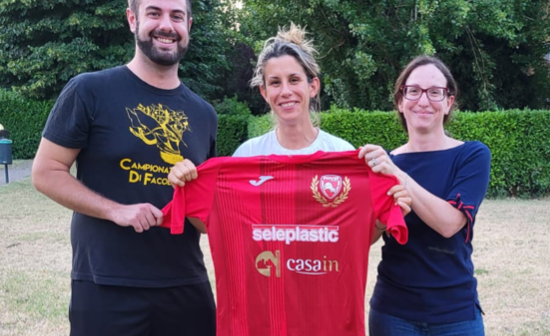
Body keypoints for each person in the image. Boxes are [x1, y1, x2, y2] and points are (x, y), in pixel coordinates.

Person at [165, 24, 412, 335]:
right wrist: (185, 184)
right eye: (275, 82)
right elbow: (216, 224)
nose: (286, 91)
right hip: (263, 318)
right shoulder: (246, 157)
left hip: (324, 316)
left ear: (313, 86)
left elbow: (355, 236)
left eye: (294, 80)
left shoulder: (343, 155)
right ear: (264, 92)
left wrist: (382, 218)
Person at [32, 0, 217, 336]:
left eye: (176, 16)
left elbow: (206, 213)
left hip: (186, 285)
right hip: (106, 285)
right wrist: (116, 210)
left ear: (188, 24)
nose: (166, 25)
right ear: (133, 19)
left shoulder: (204, 114)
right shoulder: (89, 91)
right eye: (154, 13)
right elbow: (45, 172)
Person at [359, 55, 491, 336]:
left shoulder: (472, 155)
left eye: (434, 92)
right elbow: (364, 238)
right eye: (414, 91)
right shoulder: (385, 164)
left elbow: (449, 224)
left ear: (448, 102)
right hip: (392, 314)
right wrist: (382, 220)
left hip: (455, 315)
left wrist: (400, 176)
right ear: (400, 101)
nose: (423, 100)